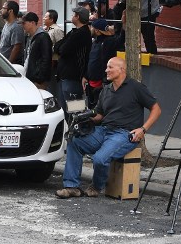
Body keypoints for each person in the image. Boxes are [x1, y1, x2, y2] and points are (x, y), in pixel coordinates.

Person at [56, 56, 161, 198]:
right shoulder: (106, 90)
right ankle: (71, 186)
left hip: (124, 134)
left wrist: (143, 129)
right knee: (74, 142)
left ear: (121, 69)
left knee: (100, 159)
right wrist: (84, 115)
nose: (106, 70)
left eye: (110, 67)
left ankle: (96, 187)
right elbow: (99, 115)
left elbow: (156, 109)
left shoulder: (136, 87)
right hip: (104, 131)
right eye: (107, 67)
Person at [55, 6, 92, 113]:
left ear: (78, 17)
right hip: (65, 76)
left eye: (73, 14)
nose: (72, 16)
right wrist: (60, 47)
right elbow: (58, 46)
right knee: (64, 109)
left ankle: (79, 124)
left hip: (74, 78)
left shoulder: (82, 33)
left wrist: (60, 48)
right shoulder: (74, 32)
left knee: (76, 110)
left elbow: (63, 50)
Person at [83, 18, 118, 109]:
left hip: (101, 84)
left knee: (101, 111)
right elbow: (91, 61)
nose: (90, 29)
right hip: (91, 83)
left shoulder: (108, 42)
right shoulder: (94, 42)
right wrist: (86, 76)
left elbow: (120, 39)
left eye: (92, 27)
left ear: (97, 30)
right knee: (91, 110)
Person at [22, 12, 53, 90]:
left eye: (24, 23)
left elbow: (46, 59)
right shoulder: (28, 37)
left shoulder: (43, 37)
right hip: (29, 77)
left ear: (32, 23)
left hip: (37, 80)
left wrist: (39, 78)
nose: (22, 26)